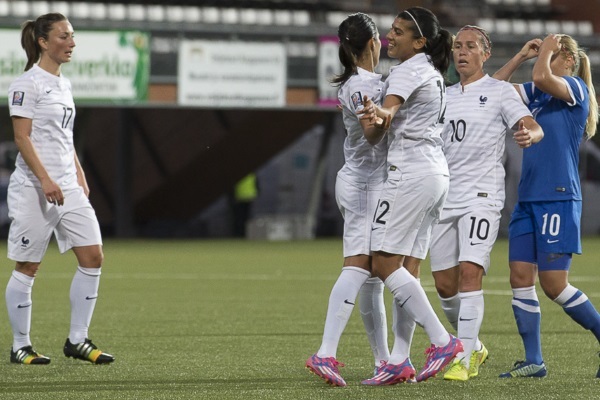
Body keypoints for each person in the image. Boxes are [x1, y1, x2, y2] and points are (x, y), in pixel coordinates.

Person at [429, 25, 544, 382]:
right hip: (445, 198)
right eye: (457, 46)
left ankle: (462, 359)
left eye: (470, 46)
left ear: (485, 52)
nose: (461, 52)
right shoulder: (443, 95)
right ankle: (474, 345)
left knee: (469, 274)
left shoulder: (501, 92)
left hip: (482, 197)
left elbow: (530, 124)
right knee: (444, 285)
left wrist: (530, 133)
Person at [358, 7, 463, 384]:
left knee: (383, 264)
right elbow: (383, 123)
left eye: (400, 32)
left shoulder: (407, 70)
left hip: (411, 172)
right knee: (409, 269)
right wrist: (376, 119)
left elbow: (389, 111)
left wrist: (378, 112)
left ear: (419, 42)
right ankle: (399, 360)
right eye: (391, 29)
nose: (390, 35)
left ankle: (443, 341)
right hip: (435, 173)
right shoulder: (433, 72)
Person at [5, 13, 114, 365]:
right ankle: (20, 345)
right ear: (43, 42)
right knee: (28, 266)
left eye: (72, 35)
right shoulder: (26, 84)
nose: (72, 42)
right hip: (34, 187)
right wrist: (45, 179)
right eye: (64, 36)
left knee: (93, 256)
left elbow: (62, 138)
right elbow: (22, 138)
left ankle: (77, 341)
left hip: (67, 184)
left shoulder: (63, 85)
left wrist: (78, 172)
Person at [492, 34, 600, 378]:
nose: (544, 58)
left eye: (553, 54)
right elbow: (493, 90)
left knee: (554, 284)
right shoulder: (539, 94)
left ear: (566, 57)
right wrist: (522, 55)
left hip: (558, 195)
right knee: (520, 277)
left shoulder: (574, 88)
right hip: (528, 199)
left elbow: (541, 77)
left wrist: (549, 48)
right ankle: (534, 360)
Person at [305, 12, 391, 387]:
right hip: (363, 184)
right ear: (375, 43)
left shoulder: (362, 83)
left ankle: (383, 360)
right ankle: (325, 352)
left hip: (366, 181)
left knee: (372, 280)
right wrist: (394, 110)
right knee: (357, 267)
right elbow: (373, 136)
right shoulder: (364, 85)